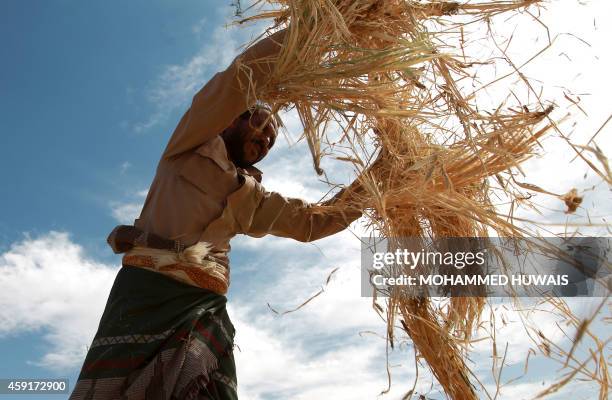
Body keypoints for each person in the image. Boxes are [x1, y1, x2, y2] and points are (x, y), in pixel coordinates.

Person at [70, 29, 363, 400]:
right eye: (261, 128)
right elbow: (238, 80)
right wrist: (311, 30)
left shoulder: (254, 199)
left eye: (272, 141)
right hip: (148, 294)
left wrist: (379, 184)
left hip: (203, 311)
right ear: (229, 121)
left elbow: (314, 222)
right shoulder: (188, 146)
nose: (266, 141)